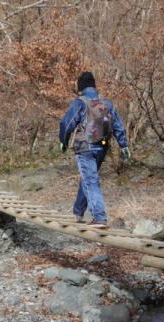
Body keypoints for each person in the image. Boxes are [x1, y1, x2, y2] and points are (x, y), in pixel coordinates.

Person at [59, 72, 131, 228]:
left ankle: (99, 217)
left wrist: (63, 141)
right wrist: (124, 145)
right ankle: (78, 211)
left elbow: (66, 123)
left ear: (81, 87)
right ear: (94, 85)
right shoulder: (106, 103)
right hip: (102, 147)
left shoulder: (80, 103)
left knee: (90, 180)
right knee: (88, 177)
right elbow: (118, 125)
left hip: (85, 148)